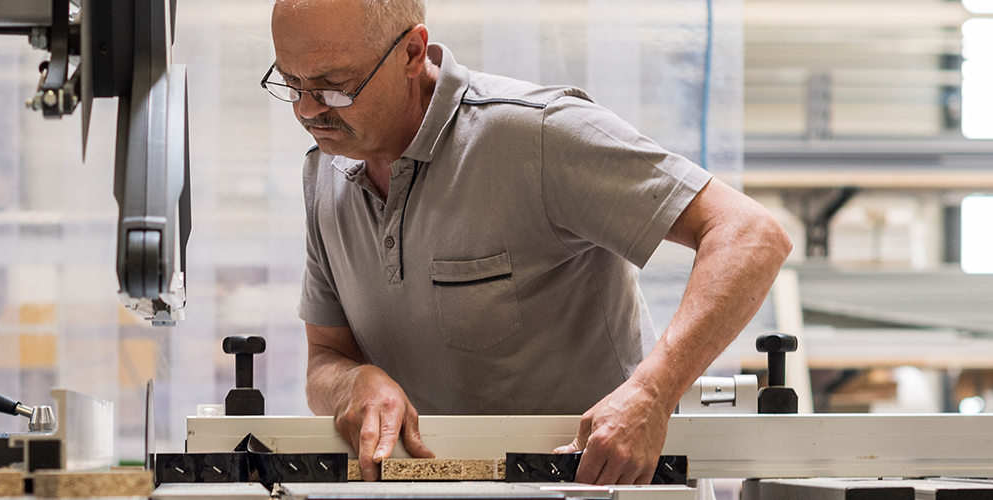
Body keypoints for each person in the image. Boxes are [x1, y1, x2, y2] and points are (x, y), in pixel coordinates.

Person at [270, 0, 792, 485]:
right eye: (291, 83)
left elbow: (751, 234)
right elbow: (327, 355)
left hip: (596, 485)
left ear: (411, 52)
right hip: (434, 488)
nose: (308, 110)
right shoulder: (324, 173)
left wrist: (652, 395)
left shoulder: (535, 136)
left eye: (335, 85)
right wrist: (354, 383)